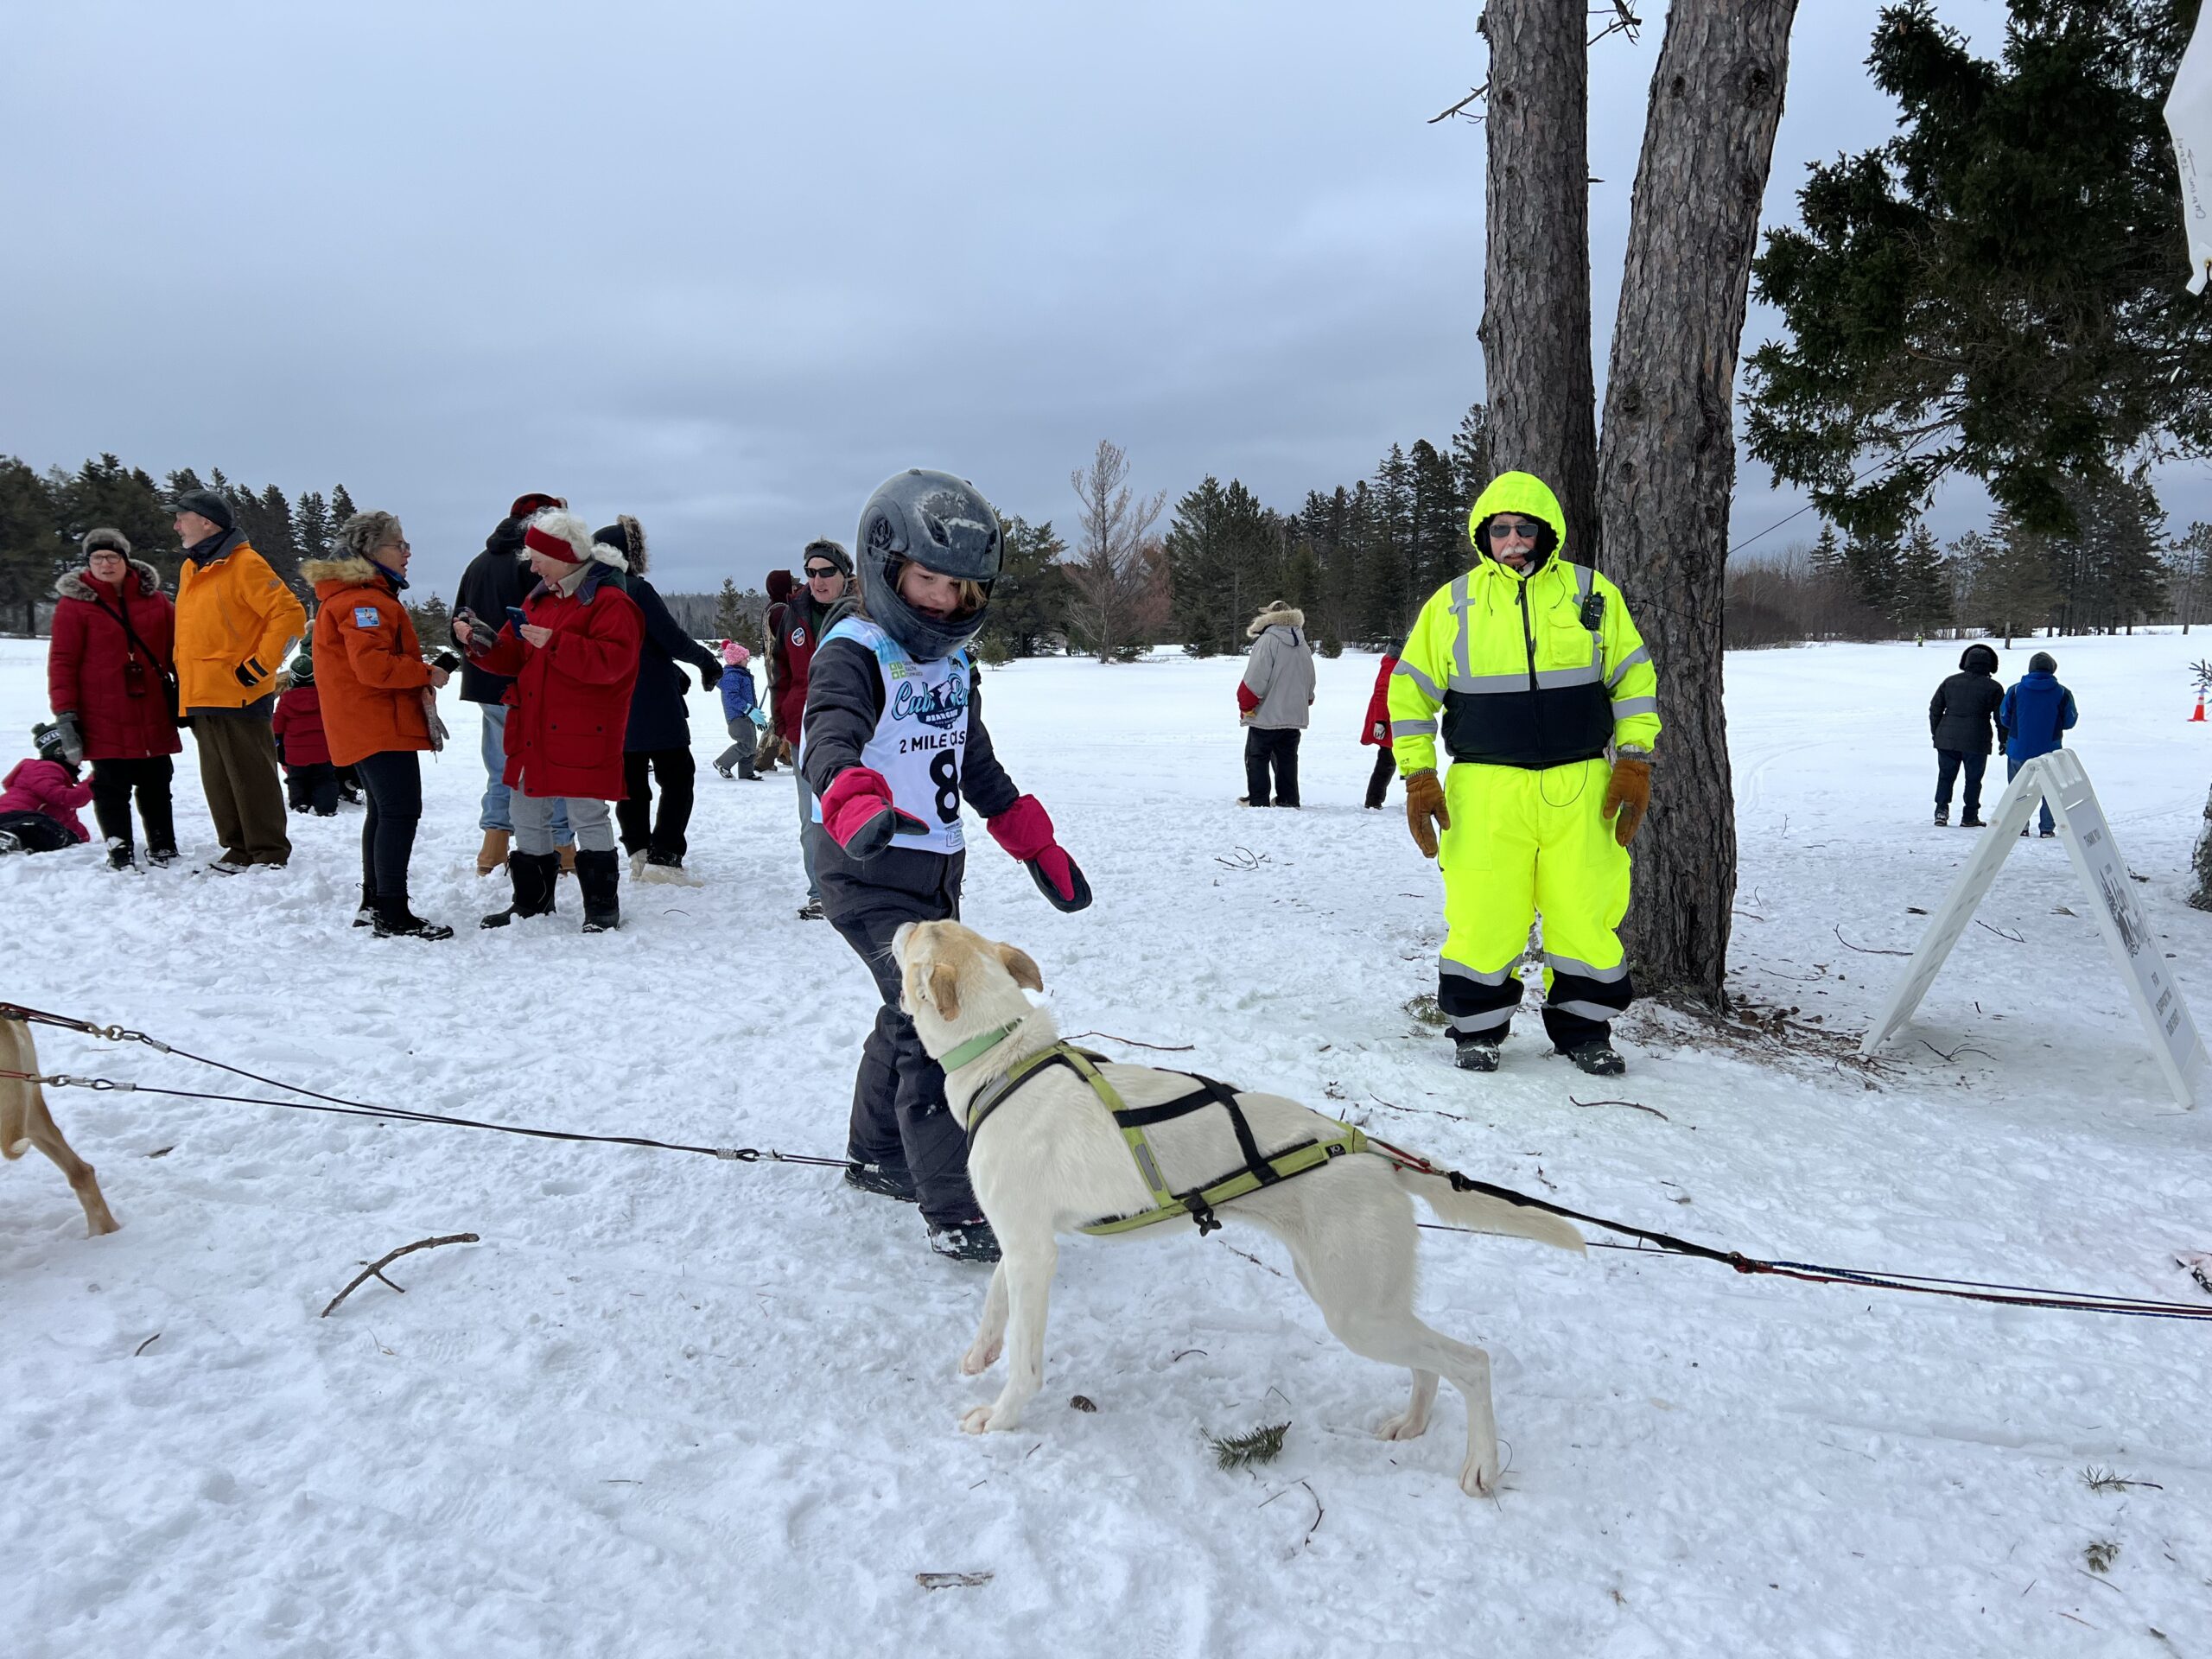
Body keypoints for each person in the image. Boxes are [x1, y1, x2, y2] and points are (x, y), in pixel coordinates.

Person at [804, 469, 1092, 1263]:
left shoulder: (956, 665)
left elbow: (977, 767)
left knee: (905, 1013)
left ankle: (877, 1154)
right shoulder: (854, 651)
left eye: (958, 585)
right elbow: (828, 736)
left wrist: (1035, 843)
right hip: (863, 868)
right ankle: (955, 1205)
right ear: (887, 567)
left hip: (933, 870)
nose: (940, 599)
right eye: (926, 578)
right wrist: (854, 796)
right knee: (940, 1021)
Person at [1389, 471, 1660, 1079]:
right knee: (1485, 913)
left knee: (1585, 911)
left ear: (1547, 533)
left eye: (1525, 528)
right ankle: (1477, 1030)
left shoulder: (1592, 593)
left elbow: (1633, 678)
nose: (1514, 539)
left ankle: (1586, 1031)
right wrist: (1418, 775)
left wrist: (1636, 757)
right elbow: (1408, 694)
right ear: (1485, 536)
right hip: (1484, 790)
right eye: (1501, 529)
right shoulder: (1453, 603)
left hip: (1581, 785)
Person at [454, 511, 642, 933]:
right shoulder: (538, 598)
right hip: (534, 725)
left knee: (587, 814)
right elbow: (514, 653)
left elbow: (616, 664)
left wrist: (557, 643)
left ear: (562, 556)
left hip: (582, 730)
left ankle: (601, 908)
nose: (532, 566)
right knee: (526, 812)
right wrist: (483, 643)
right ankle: (531, 904)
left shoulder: (610, 601)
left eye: (538, 557)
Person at [305, 512, 453, 939]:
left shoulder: (356, 596)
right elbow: (372, 667)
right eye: (399, 545)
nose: (408, 553)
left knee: (384, 810)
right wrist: (426, 673)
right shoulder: (362, 600)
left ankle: (375, 904)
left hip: (365, 723)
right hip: (376, 723)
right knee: (400, 812)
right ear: (370, 551)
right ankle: (391, 912)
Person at [171, 488, 308, 872]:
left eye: (182, 517)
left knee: (251, 775)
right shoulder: (191, 567)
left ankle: (267, 851)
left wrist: (259, 667)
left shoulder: (244, 564)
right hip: (200, 690)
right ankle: (237, 847)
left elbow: (289, 616)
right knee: (218, 778)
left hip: (240, 690)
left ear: (207, 522)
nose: (176, 524)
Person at [449, 493, 573, 876]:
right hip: (529, 682)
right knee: (549, 764)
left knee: (502, 766)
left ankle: (493, 850)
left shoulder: (478, 563)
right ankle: (562, 847)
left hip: (486, 681)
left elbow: (458, 621)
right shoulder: (537, 564)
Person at [45, 528, 181, 868]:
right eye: (97, 558)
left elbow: (180, 651)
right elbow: (62, 662)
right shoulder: (74, 606)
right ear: (88, 562)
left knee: (157, 780)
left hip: (152, 706)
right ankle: (120, 850)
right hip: (100, 711)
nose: (105, 564)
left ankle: (163, 845)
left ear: (125, 559)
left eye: (112, 557)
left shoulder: (157, 601)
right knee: (110, 785)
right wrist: (66, 713)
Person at [601, 517, 725, 882]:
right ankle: (665, 855)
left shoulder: (595, 593)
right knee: (677, 776)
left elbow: (638, 645)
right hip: (652, 703)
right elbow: (671, 637)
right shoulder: (636, 589)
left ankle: (639, 852)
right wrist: (705, 660)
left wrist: (672, 670)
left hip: (614, 705)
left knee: (631, 782)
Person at [772, 540, 852, 919]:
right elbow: (782, 671)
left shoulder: (865, 612)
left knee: (861, 807)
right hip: (805, 731)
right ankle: (820, 891)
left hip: (856, 732)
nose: (817, 580)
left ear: (845, 574)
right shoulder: (795, 613)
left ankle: (866, 885)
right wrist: (782, 718)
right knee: (812, 819)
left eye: (826, 571)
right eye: (811, 572)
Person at [1236, 600, 1316, 807]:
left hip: (1266, 714)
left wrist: (1245, 705)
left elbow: (1254, 680)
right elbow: (1310, 680)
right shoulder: (1302, 643)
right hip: (1293, 714)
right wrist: (1305, 700)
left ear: (1269, 618)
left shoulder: (1267, 641)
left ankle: (1258, 800)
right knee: (1287, 759)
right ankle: (1288, 799)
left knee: (1256, 756)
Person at [1999, 650, 2079, 838]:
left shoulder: (2015, 690)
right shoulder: (2063, 693)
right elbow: (2070, 721)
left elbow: (2004, 717)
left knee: (2018, 789)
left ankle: (2021, 826)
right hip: (2049, 750)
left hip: (2018, 748)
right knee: (2050, 790)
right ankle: (2047, 828)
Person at [1929, 643, 2003, 828]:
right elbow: (2000, 717)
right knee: (1973, 779)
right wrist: (2004, 740)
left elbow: (1935, 709)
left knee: (1946, 775)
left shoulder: (1950, 682)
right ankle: (1970, 815)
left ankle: (1941, 810)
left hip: (1947, 737)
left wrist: (1937, 732)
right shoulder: (1993, 687)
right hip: (1977, 739)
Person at [0, 724, 95, 854]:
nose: (81, 757)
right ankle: (6, 836)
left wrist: (80, 837)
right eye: (76, 750)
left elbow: (67, 820)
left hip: (19, 818)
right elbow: (67, 798)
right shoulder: (44, 769)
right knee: (48, 828)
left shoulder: (57, 779)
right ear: (60, 752)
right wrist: (94, 781)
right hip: (14, 817)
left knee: (62, 834)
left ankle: (12, 840)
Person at [271, 652, 339, 817]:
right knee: (325, 778)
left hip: (295, 753)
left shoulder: (286, 699)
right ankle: (326, 806)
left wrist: (277, 742)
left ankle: (300, 803)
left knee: (297, 780)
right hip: (324, 751)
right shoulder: (325, 697)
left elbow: (277, 726)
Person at [713, 641, 763, 779]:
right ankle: (722, 763)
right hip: (737, 718)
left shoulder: (741, 674)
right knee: (746, 745)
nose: (748, 660)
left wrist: (755, 714)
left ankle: (747, 774)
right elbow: (732, 697)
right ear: (737, 660)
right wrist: (748, 710)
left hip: (746, 716)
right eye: (745, 658)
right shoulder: (732, 676)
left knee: (751, 745)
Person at [1362, 650, 1400, 810]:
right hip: (1391, 719)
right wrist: (1380, 720)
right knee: (1388, 760)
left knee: (1391, 760)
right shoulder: (1392, 664)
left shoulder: (1397, 662)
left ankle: (1374, 800)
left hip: (1398, 718)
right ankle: (1373, 801)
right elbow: (1382, 693)